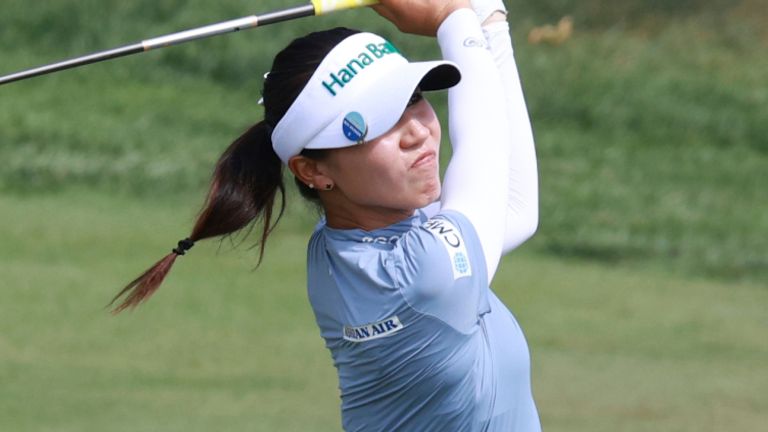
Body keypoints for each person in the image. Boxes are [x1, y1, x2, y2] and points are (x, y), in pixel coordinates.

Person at [111, 0, 540, 430]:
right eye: (379, 122)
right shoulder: (418, 276)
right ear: (312, 170)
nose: (417, 131)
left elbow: (515, 206)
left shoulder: (363, 237)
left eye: (413, 98)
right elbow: (484, 151)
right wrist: (455, 18)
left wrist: (488, 20)